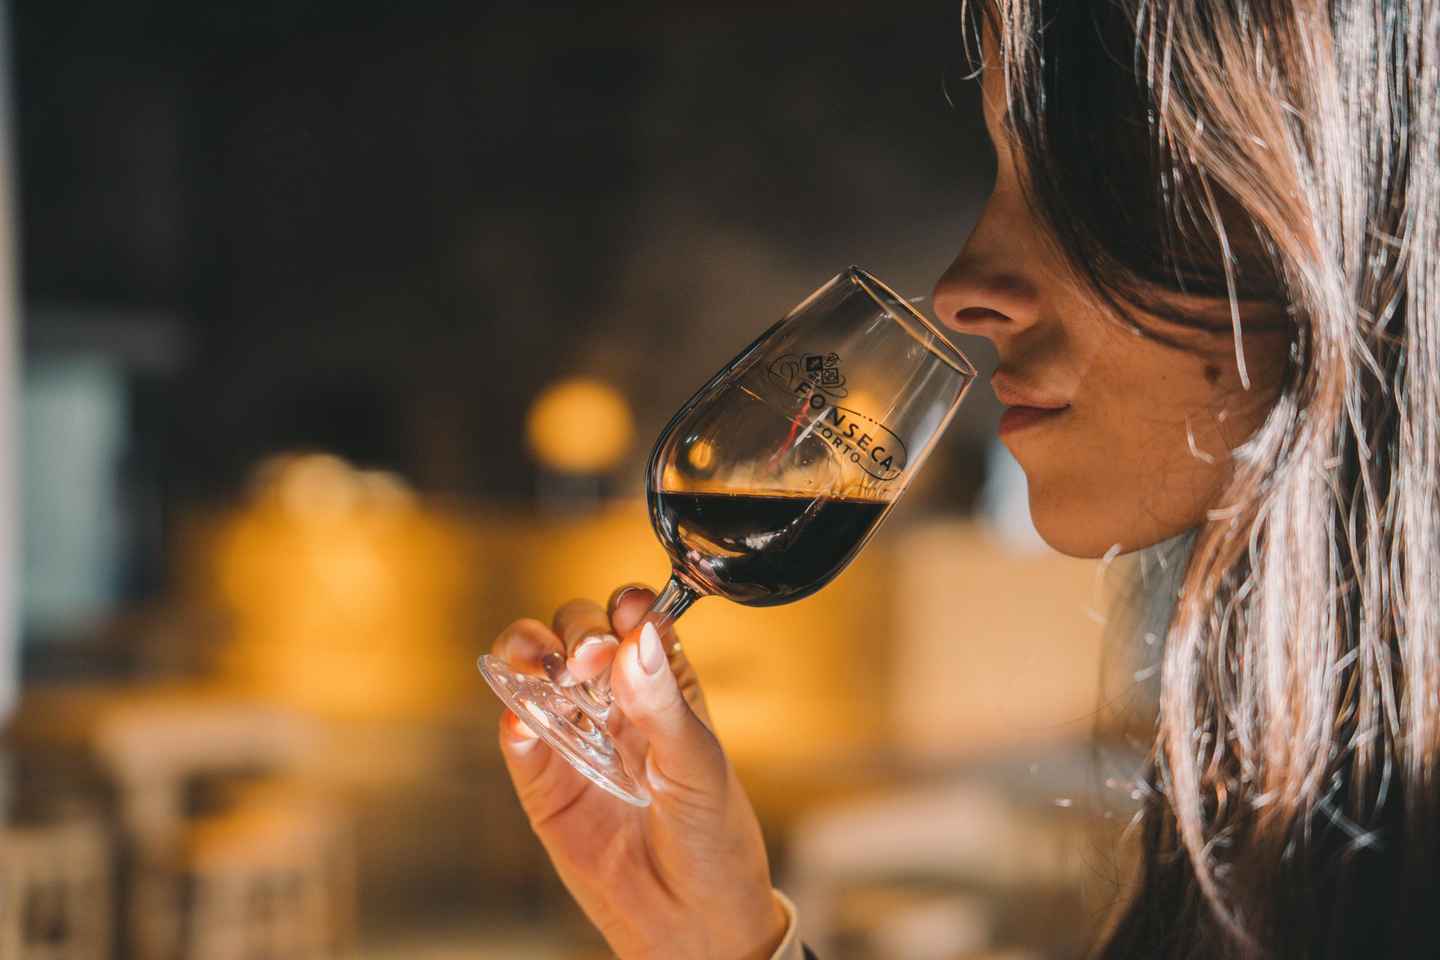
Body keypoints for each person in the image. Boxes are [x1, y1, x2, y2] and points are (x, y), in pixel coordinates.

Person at [490, 0, 1440, 956]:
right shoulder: (1315, 813)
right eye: (1007, 173)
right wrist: (716, 936)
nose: (961, 290)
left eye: (1095, 182)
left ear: (1346, 194)